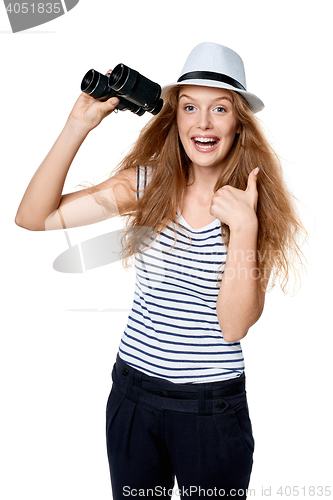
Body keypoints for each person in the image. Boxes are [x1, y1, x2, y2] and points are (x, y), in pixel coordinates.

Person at [15, 43, 306, 499]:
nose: (203, 122)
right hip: (133, 396)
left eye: (220, 109)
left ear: (238, 124)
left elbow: (233, 327)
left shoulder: (250, 208)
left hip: (210, 409)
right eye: (189, 107)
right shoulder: (145, 186)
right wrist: (78, 126)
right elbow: (33, 217)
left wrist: (245, 226)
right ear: (176, 119)